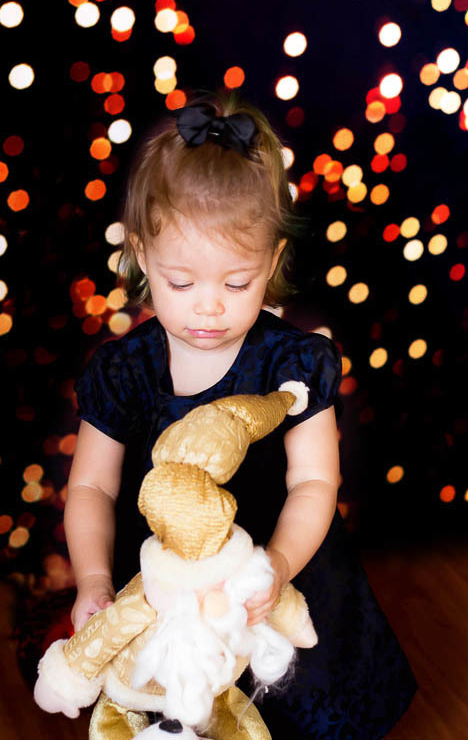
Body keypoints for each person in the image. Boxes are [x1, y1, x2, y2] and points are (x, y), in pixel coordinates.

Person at [65, 91, 417, 739]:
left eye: (235, 283)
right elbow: (91, 484)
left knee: (292, 702)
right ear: (143, 254)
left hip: (273, 570)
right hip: (167, 578)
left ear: (272, 263)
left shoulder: (293, 365)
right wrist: (92, 578)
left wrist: (277, 566)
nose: (208, 308)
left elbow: (313, 483)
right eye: (181, 282)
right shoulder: (125, 369)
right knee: (181, 710)